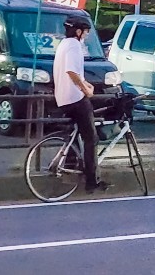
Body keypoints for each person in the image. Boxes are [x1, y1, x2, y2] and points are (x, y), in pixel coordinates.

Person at [52, 15, 108, 193]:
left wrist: (87, 84)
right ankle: (92, 181)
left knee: (76, 135)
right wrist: (86, 91)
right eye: (85, 32)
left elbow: (74, 73)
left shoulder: (63, 45)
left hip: (62, 98)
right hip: (75, 99)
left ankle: (70, 166)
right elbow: (72, 72)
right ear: (78, 31)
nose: (86, 35)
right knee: (91, 138)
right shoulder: (75, 46)